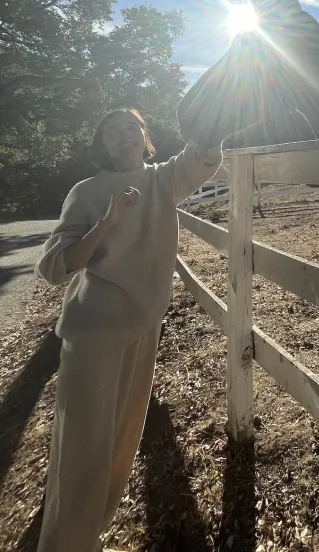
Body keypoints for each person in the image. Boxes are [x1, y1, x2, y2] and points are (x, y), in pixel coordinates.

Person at [35, 108, 223, 552]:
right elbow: (53, 266)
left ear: (146, 136)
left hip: (143, 330)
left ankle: (88, 537)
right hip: (94, 335)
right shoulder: (86, 192)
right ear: (102, 144)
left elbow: (200, 161)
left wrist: (216, 129)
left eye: (132, 128)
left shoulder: (163, 179)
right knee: (82, 452)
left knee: (122, 446)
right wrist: (107, 223)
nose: (124, 136)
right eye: (113, 131)